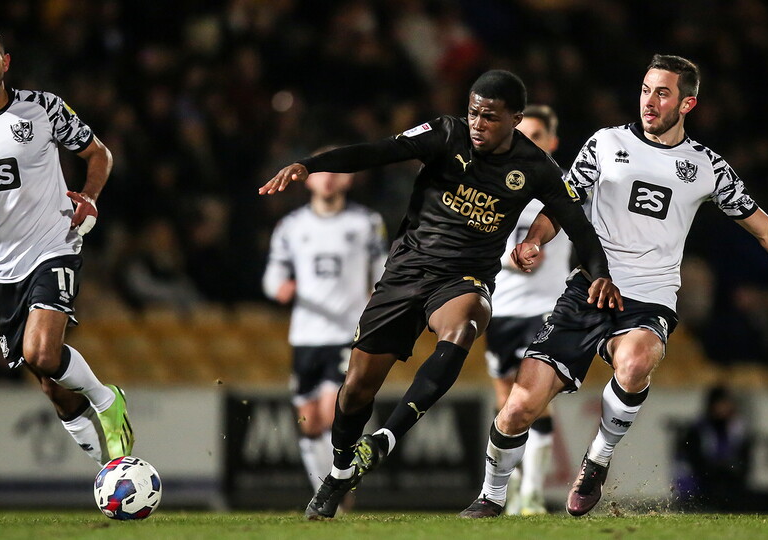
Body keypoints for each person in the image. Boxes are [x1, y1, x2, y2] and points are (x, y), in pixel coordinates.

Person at [459, 54, 768, 519]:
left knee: (637, 360)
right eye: (645, 89)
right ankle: (490, 497)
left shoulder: (706, 166)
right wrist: (535, 240)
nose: (649, 101)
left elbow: (765, 229)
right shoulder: (605, 143)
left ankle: (596, 460)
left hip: (651, 296)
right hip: (588, 289)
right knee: (518, 408)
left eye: (662, 92)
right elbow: (565, 202)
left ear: (688, 103)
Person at [260, 69, 622, 520]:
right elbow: (379, 152)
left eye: (489, 116)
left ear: (515, 118)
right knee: (356, 390)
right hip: (406, 271)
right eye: (473, 112)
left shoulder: (535, 168)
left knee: (465, 323)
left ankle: (385, 440)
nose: (477, 122)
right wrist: (311, 165)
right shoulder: (445, 133)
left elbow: (581, 228)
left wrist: (600, 273)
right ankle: (338, 474)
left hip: (464, 278)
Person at [0, 16, 133, 467]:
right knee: (48, 380)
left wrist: (90, 197)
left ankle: (106, 400)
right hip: (0, 268)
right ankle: (109, 470)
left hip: (53, 245)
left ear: (6, 61)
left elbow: (98, 153)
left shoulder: (43, 108)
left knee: (41, 351)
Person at [262, 155, 387, 496]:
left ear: (348, 179)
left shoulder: (366, 223)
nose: (328, 179)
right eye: (321, 173)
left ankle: (336, 489)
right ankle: (325, 489)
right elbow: (272, 276)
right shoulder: (291, 226)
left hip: (348, 331)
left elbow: (382, 273)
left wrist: (378, 310)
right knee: (308, 420)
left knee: (334, 412)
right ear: (309, 180)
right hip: (305, 334)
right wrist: (280, 288)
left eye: (337, 172)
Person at [485, 105, 571, 515]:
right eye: (525, 134)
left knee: (534, 399)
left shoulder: (568, 187)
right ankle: (516, 486)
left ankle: (533, 492)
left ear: (552, 142)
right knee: (507, 401)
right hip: (501, 309)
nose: (530, 142)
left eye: (538, 135)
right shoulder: (500, 186)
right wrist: (508, 259)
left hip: (546, 308)